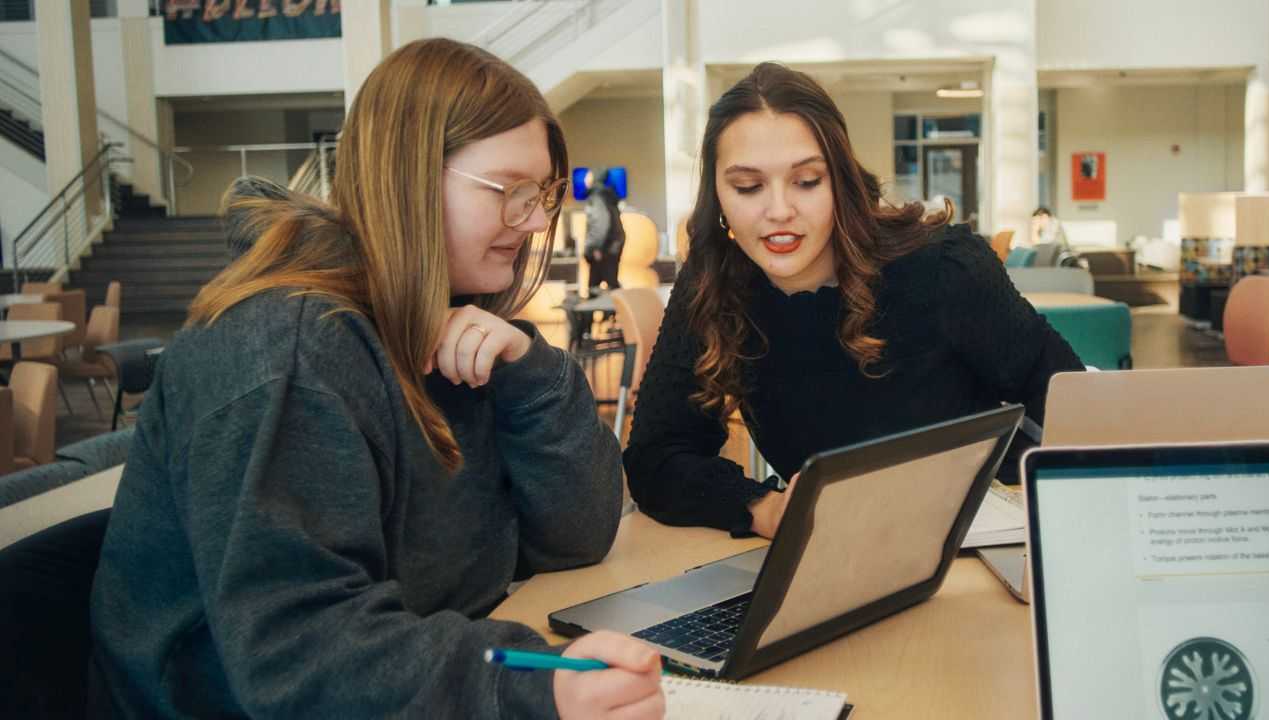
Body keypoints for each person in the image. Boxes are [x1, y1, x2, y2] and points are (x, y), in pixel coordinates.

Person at [89, 39, 664, 720]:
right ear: (410, 178)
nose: (538, 221)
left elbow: (579, 535)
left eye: (539, 194)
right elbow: (299, 655)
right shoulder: (288, 354)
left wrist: (530, 375)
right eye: (509, 191)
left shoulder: (458, 322)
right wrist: (527, 691)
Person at [623, 63, 1083, 539]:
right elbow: (657, 457)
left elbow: (1070, 398)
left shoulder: (944, 268)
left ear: (840, 181)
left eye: (807, 181)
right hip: (840, 556)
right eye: (748, 187)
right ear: (717, 196)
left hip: (979, 541)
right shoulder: (714, 283)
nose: (779, 211)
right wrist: (763, 508)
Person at [583, 169, 626, 291]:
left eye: (588, 176)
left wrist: (594, 247)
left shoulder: (596, 197)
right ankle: (617, 309)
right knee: (612, 284)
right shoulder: (607, 195)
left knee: (594, 287)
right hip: (613, 245)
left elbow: (600, 224)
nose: (585, 179)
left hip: (603, 248)